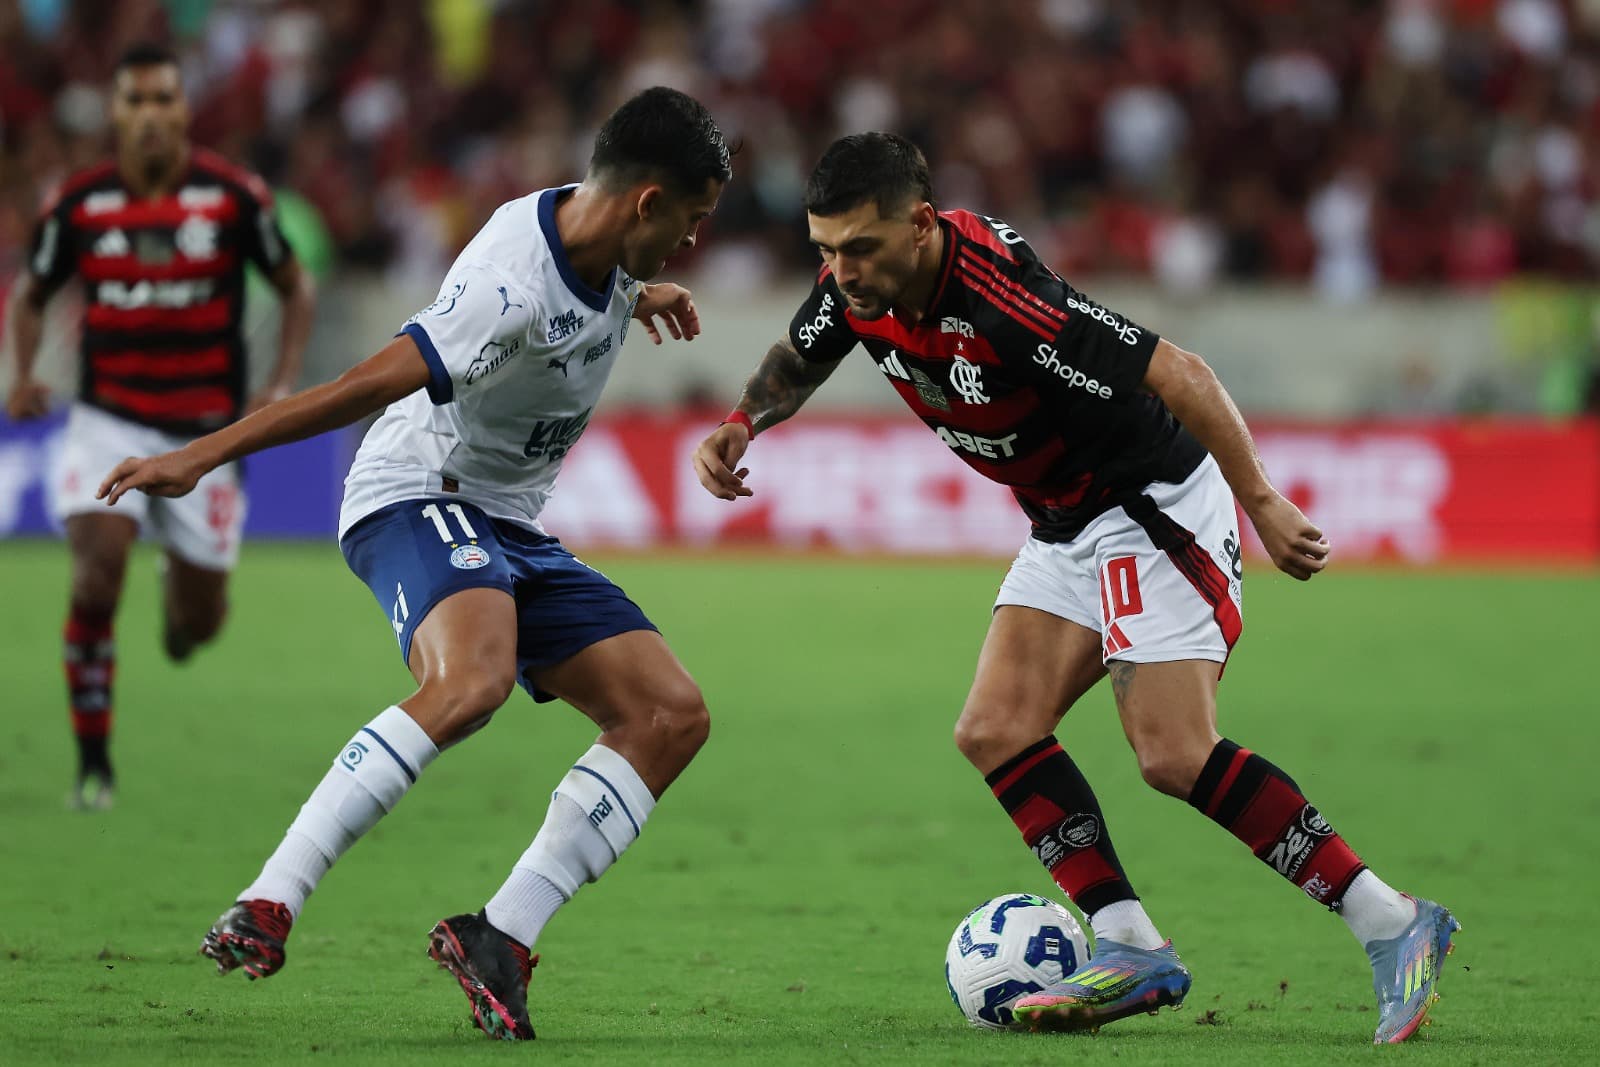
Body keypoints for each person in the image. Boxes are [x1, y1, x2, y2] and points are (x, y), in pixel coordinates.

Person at [692, 133, 1457, 1045]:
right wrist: (743, 422)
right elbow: (799, 354)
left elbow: (1180, 372)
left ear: (921, 226)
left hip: (1148, 504)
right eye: (825, 249)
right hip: (1064, 518)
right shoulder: (861, 286)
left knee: (1174, 753)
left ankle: (1392, 919)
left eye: (858, 248)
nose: (840, 270)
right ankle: (1130, 943)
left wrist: (1261, 500)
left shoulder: (1003, 301)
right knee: (996, 727)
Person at [98, 86, 730, 1041]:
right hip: (415, 491)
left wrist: (643, 290)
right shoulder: (505, 289)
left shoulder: (597, 233)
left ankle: (501, 938)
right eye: (690, 221)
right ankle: (271, 897)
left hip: (508, 522)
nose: (693, 240)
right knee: (471, 680)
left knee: (669, 714)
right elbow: (358, 387)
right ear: (647, 202)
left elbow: (592, 272)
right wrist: (199, 453)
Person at [2, 42, 316, 811]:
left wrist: (279, 383)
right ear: (116, 112)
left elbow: (294, 286)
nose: (150, 116)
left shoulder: (233, 197)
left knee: (195, 629)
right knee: (96, 570)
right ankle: (94, 763)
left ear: (184, 110)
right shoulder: (78, 203)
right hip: (107, 419)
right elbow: (31, 292)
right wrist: (25, 371)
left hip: (205, 438)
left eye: (163, 100)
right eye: (135, 101)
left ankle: (181, 589)